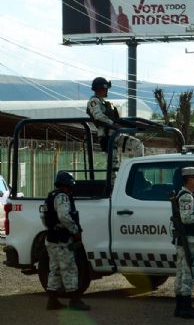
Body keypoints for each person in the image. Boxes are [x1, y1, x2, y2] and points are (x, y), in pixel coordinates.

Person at [42, 171, 90, 311]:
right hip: (62, 240)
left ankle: (52, 300)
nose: (71, 189)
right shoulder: (62, 197)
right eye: (70, 186)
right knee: (69, 269)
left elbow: (44, 217)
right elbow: (64, 216)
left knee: (54, 269)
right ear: (66, 184)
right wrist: (75, 231)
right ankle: (74, 300)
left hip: (51, 239)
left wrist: (52, 228)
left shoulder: (50, 196)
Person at [172, 167, 194, 319]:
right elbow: (186, 219)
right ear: (189, 179)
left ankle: (180, 307)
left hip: (184, 240)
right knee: (188, 273)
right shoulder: (187, 197)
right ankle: (185, 308)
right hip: (188, 240)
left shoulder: (184, 194)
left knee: (181, 272)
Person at [86, 77, 143, 170]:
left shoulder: (105, 103)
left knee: (138, 145)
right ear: (100, 89)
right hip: (107, 136)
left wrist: (123, 124)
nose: (107, 91)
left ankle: (139, 172)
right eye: (105, 89)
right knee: (113, 164)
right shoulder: (94, 101)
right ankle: (113, 183)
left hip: (115, 135)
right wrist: (112, 123)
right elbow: (98, 116)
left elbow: (116, 118)